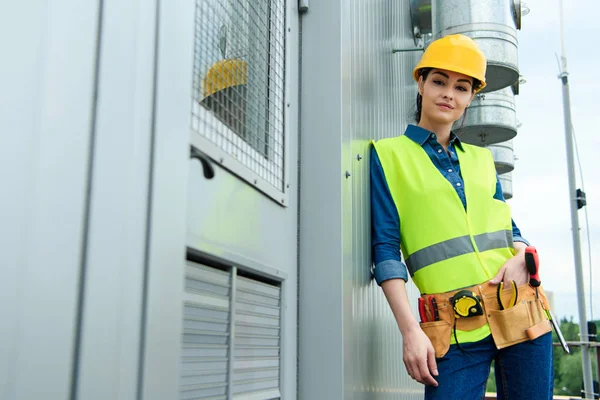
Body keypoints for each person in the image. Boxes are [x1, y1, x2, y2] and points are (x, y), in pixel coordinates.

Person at [370, 34, 554, 400]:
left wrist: (523, 254)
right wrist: (410, 331)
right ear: (420, 82)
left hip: (521, 311)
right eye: (439, 81)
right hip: (452, 327)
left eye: (462, 87)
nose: (448, 94)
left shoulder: (482, 159)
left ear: (471, 97)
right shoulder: (387, 156)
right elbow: (386, 251)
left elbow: (509, 229)